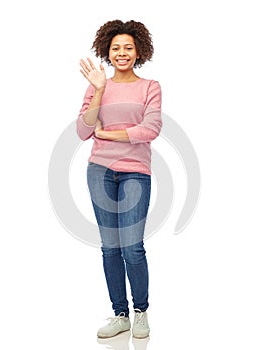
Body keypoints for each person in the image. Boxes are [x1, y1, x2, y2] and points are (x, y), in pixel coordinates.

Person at [77, 19, 162, 339]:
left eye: (128, 47)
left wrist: (107, 133)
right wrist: (98, 89)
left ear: (138, 50)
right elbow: (84, 130)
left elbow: (150, 131)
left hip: (135, 173)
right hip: (100, 171)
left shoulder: (150, 86)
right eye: (116, 48)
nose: (122, 53)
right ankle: (120, 314)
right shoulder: (97, 85)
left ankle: (141, 312)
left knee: (133, 247)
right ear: (107, 52)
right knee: (110, 248)